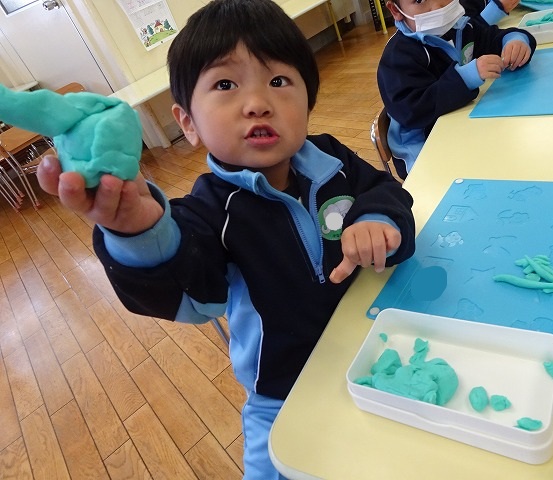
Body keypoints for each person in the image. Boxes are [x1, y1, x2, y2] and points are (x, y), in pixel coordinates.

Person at [36, 0, 416, 478]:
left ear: (308, 100)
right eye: (225, 85)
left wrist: (378, 217)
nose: (257, 103)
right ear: (188, 123)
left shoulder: (332, 159)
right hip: (284, 393)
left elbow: (387, 191)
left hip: (381, 348)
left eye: (279, 81)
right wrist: (137, 230)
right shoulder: (207, 212)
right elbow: (191, 295)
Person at [377, 0, 536, 179]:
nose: (437, 6)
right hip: (423, 147)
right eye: (419, 0)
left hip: (463, 125)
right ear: (396, 10)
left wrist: (515, 41)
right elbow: (412, 110)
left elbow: (494, 37)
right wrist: (466, 77)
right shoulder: (397, 56)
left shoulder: (462, 27)